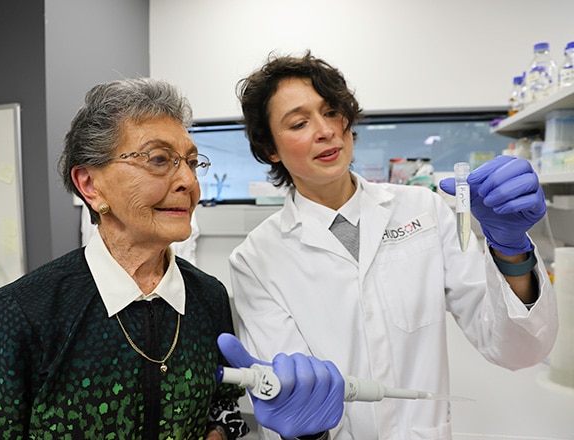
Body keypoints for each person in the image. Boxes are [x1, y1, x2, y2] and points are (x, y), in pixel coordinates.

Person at [0, 77, 345, 440]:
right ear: (90, 184)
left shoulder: (207, 297)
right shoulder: (22, 311)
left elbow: (225, 411)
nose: (187, 180)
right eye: (158, 159)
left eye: (192, 161)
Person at [228, 51, 559, 439]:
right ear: (270, 149)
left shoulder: (424, 208)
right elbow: (290, 397)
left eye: (332, 111)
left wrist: (511, 250)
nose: (325, 130)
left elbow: (518, 350)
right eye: (300, 122)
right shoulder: (256, 259)